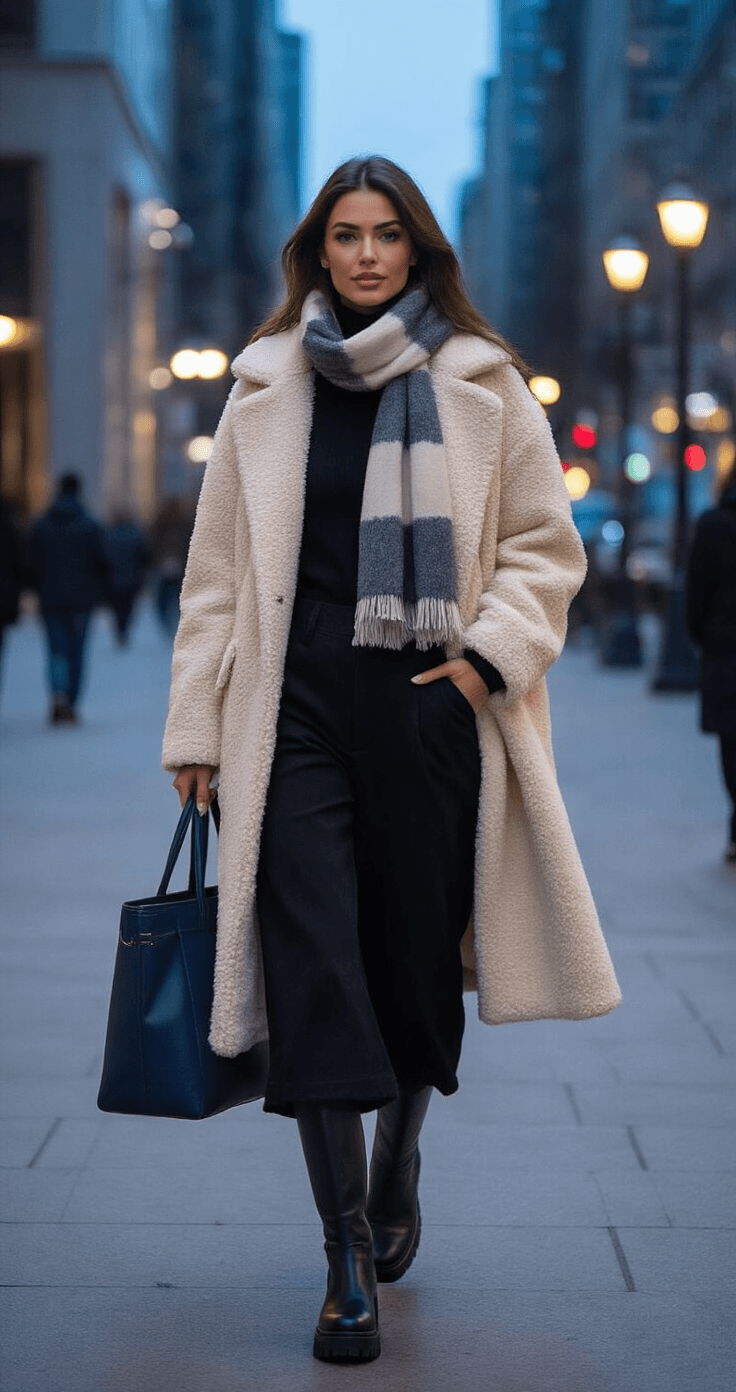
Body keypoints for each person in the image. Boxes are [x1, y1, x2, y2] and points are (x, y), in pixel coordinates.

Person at [163, 157, 621, 1364]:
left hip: (428, 709)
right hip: (295, 708)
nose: (365, 254)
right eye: (344, 236)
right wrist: (195, 729)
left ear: (418, 253)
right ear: (316, 253)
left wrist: (481, 663)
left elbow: (544, 549)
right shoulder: (264, 385)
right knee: (309, 952)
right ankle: (345, 1252)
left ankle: (401, 1147)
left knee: (411, 960)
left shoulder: (480, 384)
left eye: (387, 236)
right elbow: (215, 581)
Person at [27, 472, 108, 723]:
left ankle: (58, 695)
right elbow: (102, 562)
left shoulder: (42, 524)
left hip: (50, 599)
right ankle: (70, 701)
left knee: (56, 651)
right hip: (82, 600)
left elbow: (31, 563)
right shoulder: (89, 524)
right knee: (77, 652)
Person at [686, 462, 736, 864]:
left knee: (731, 745)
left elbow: (696, 593)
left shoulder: (713, 525)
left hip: (726, 650)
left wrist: (703, 637)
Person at [103, 509, 149, 645]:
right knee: (128, 608)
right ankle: (124, 630)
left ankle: (120, 630)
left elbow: (102, 557)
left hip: (113, 579)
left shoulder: (108, 534)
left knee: (117, 609)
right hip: (132, 579)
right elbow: (144, 557)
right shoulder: (135, 534)